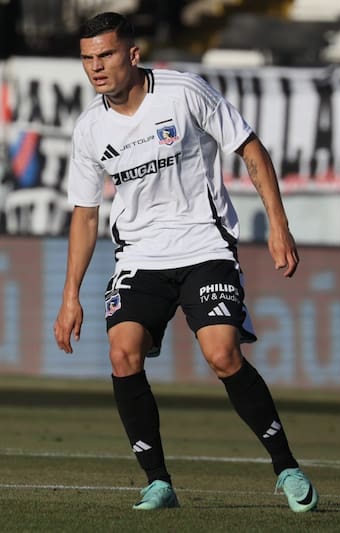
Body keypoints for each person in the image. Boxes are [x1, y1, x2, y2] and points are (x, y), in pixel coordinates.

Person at [53, 11, 319, 513]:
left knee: (222, 355)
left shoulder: (183, 92)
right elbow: (85, 215)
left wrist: (278, 225)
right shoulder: (89, 128)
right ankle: (158, 483)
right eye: (87, 58)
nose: (96, 67)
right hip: (140, 255)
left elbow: (251, 149)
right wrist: (70, 296)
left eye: (106, 55)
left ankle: (286, 467)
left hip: (204, 246)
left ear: (133, 54)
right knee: (122, 353)